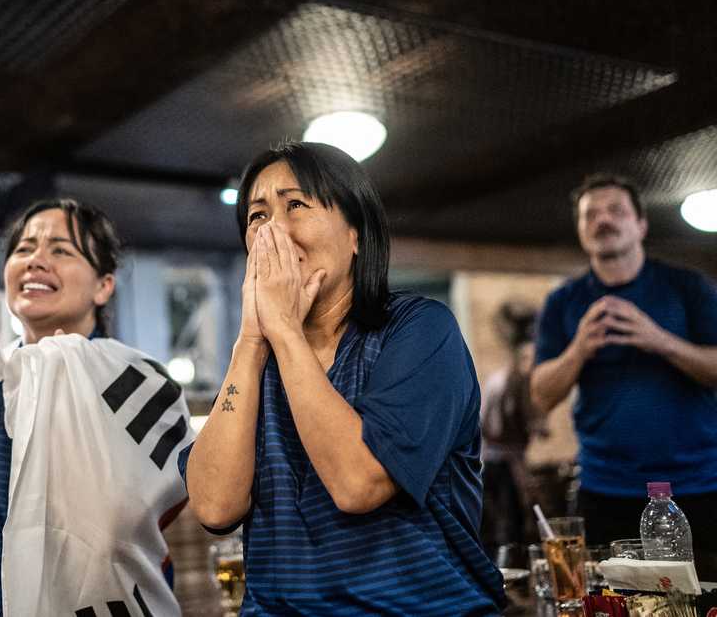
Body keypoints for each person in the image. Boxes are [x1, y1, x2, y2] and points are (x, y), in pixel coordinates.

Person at [180, 141, 504, 615]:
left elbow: (358, 484)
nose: (273, 230)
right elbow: (214, 506)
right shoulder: (256, 364)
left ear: (356, 234)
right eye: (257, 216)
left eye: (295, 205)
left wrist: (284, 330)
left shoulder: (421, 330)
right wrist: (250, 341)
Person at [0, 198, 186, 616]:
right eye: (23, 249)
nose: (36, 261)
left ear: (104, 286)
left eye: (61, 250)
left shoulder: (138, 383)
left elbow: (147, 513)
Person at [530, 173, 717, 575]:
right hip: (605, 489)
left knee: (705, 596)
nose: (603, 220)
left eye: (616, 210)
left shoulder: (687, 286)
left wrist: (658, 339)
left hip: (697, 485)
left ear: (641, 224)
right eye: (590, 215)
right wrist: (579, 348)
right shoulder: (564, 301)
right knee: (609, 599)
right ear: (581, 231)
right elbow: (540, 396)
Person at [479, 301, 542, 558]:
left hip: (511, 461)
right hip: (498, 465)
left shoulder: (520, 383)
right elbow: (488, 427)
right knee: (506, 527)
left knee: (517, 524)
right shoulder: (500, 382)